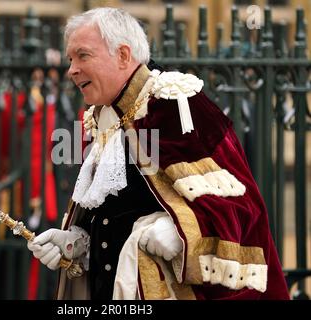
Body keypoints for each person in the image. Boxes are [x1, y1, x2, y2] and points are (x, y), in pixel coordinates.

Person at [27, 7, 290, 300]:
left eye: (82, 55)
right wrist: (79, 242)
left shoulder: (175, 103)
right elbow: (114, 215)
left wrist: (181, 233)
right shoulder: (103, 117)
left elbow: (243, 209)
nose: (71, 69)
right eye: (70, 59)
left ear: (123, 55)